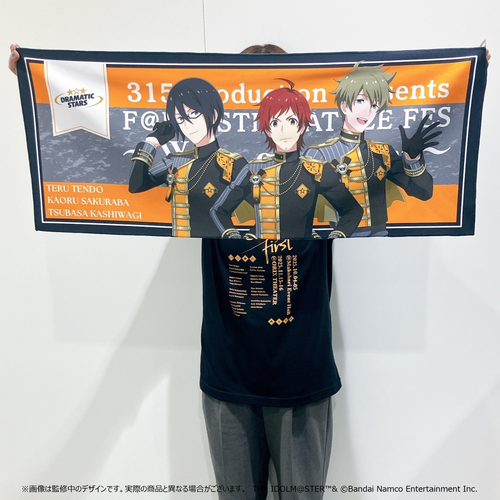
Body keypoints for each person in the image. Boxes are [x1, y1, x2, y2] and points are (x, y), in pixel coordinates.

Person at [210, 79, 362, 239]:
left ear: (302, 126)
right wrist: (235, 239)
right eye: (275, 123)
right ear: (267, 130)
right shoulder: (253, 169)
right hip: (260, 252)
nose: (284, 130)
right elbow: (219, 210)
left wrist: (333, 238)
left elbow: (353, 210)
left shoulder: (317, 169)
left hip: (304, 252)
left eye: (292, 121)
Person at [304, 62, 441, 237]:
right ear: (344, 105)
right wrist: (309, 237)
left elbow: (424, 193)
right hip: (337, 238)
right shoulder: (319, 154)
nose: (368, 111)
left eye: (375, 105)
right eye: (360, 100)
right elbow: (296, 205)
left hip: (379, 239)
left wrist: (412, 159)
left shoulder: (382, 152)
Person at [128, 77, 247, 238]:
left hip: (223, 245)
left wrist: (239, 239)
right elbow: (136, 185)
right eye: (180, 118)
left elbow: (262, 209)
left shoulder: (233, 163)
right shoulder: (175, 162)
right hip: (183, 246)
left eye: (194, 113)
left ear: (213, 114)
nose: (187, 124)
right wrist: (151, 142)